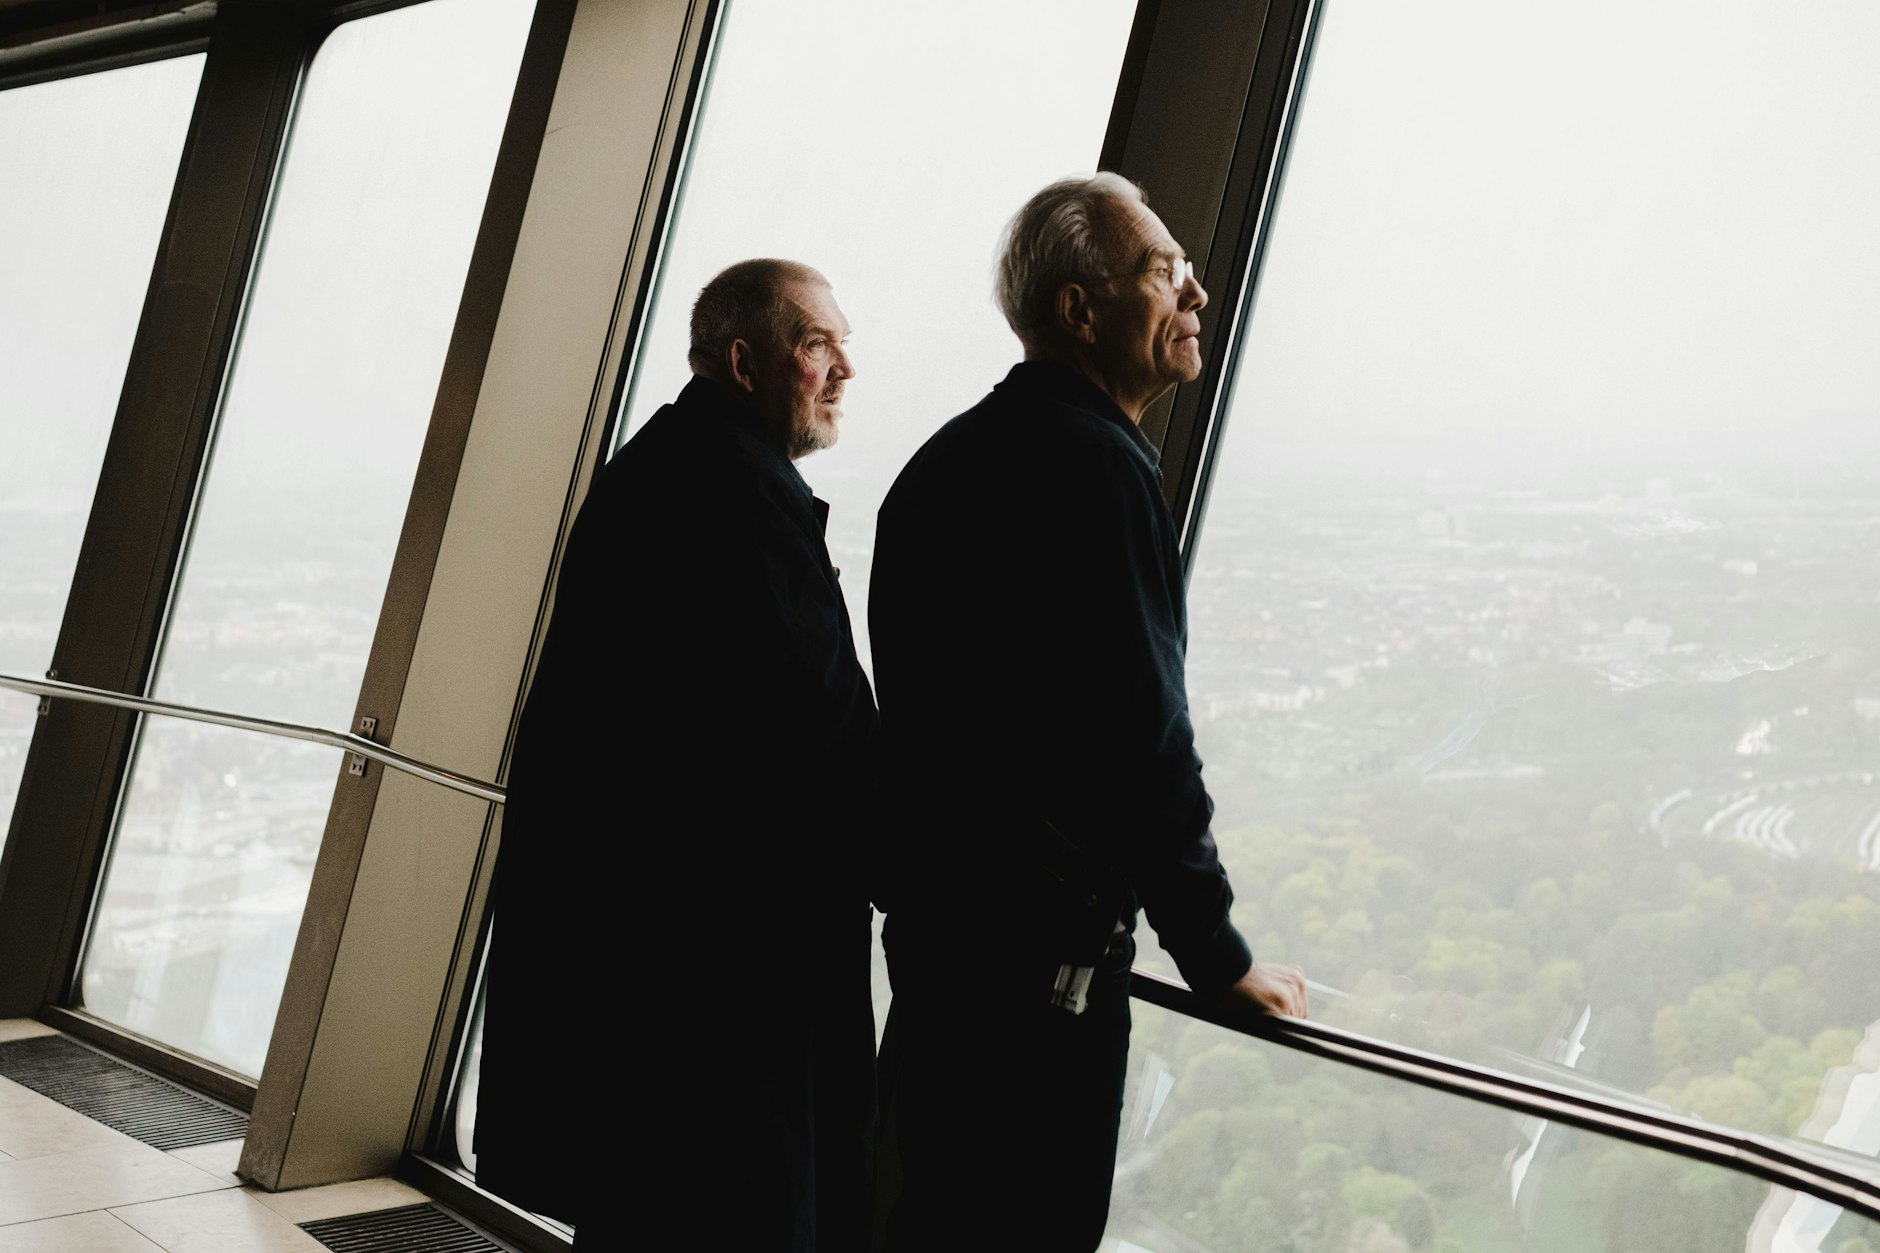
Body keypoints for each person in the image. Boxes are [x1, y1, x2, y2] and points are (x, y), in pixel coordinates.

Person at [868, 175, 1308, 1252]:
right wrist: (1216, 953)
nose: (1197, 290)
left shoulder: (934, 468)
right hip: (1039, 984)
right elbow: (1144, 742)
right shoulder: (1101, 474)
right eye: (1162, 270)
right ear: (1078, 311)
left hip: (940, 957)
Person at [475, 259, 880, 1251]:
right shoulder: (736, 498)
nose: (843, 371)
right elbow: (809, 729)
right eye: (818, 345)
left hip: (651, 978)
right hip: (723, 987)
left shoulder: (664, 468)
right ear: (745, 362)